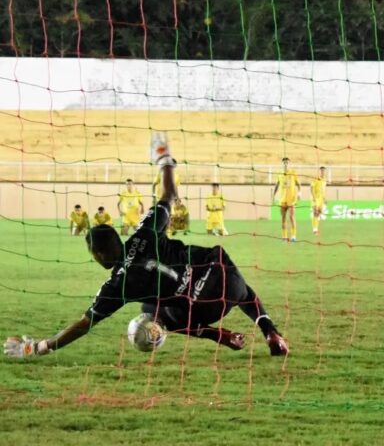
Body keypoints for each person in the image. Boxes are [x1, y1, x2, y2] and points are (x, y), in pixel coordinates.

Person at [3, 133, 289, 359]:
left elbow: (83, 325)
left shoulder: (118, 286)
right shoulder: (144, 233)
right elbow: (169, 194)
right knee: (229, 278)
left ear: (100, 255)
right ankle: (271, 333)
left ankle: (219, 336)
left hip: (204, 311)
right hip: (226, 285)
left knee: (152, 311)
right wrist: (164, 160)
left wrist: (38, 347)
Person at [272, 157, 301, 242]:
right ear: (282, 164)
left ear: (289, 163)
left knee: (292, 217)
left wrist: (299, 193)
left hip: (291, 199)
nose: (285, 164)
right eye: (284, 162)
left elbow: (298, 184)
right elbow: (277, 185)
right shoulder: (279, 174)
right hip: (282, 199)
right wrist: (273, 196)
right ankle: (284, 236)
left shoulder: (293, 173)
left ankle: (294, 236)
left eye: (287, 162)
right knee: (283, 218)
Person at [310, 166, 327, 235]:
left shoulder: (324, 180)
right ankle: (314, 230)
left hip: (321, 199)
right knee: (315, 213)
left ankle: (316, 228)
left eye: (323, 170)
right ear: (319, 171)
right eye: (321, 170)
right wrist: (313, 197)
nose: (322, 172)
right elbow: (311, 187)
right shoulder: (316, 178)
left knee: (319, 213)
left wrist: (325, 198)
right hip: (316, 198)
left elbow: (323, 190)